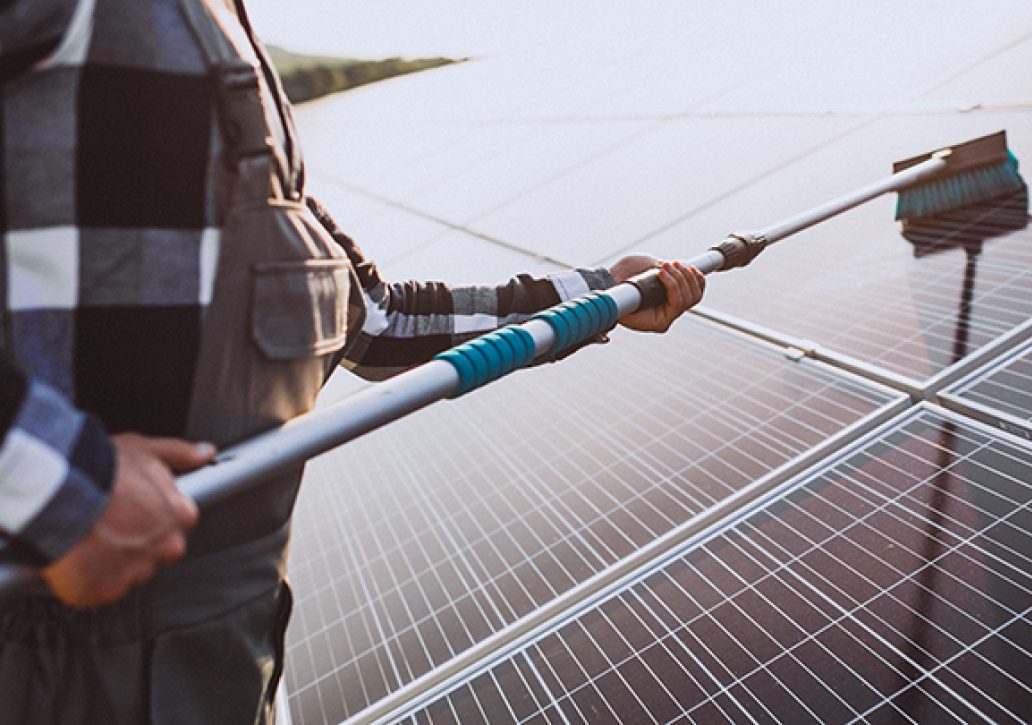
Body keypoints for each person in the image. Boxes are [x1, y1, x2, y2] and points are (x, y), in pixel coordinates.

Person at [0, 0, 705, 722]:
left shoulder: (224, 47)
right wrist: (58, 485)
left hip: (219, 659)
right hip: (57, 664)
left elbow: (378, 320)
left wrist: (602, 295)